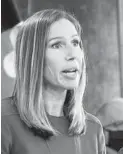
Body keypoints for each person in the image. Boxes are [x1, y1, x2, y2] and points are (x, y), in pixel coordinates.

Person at [1, 9, 106, 154]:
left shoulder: (93, 128)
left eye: (75, 43)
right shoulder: (4, 119)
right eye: (57, 45)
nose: (72, 54)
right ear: (33, 57)